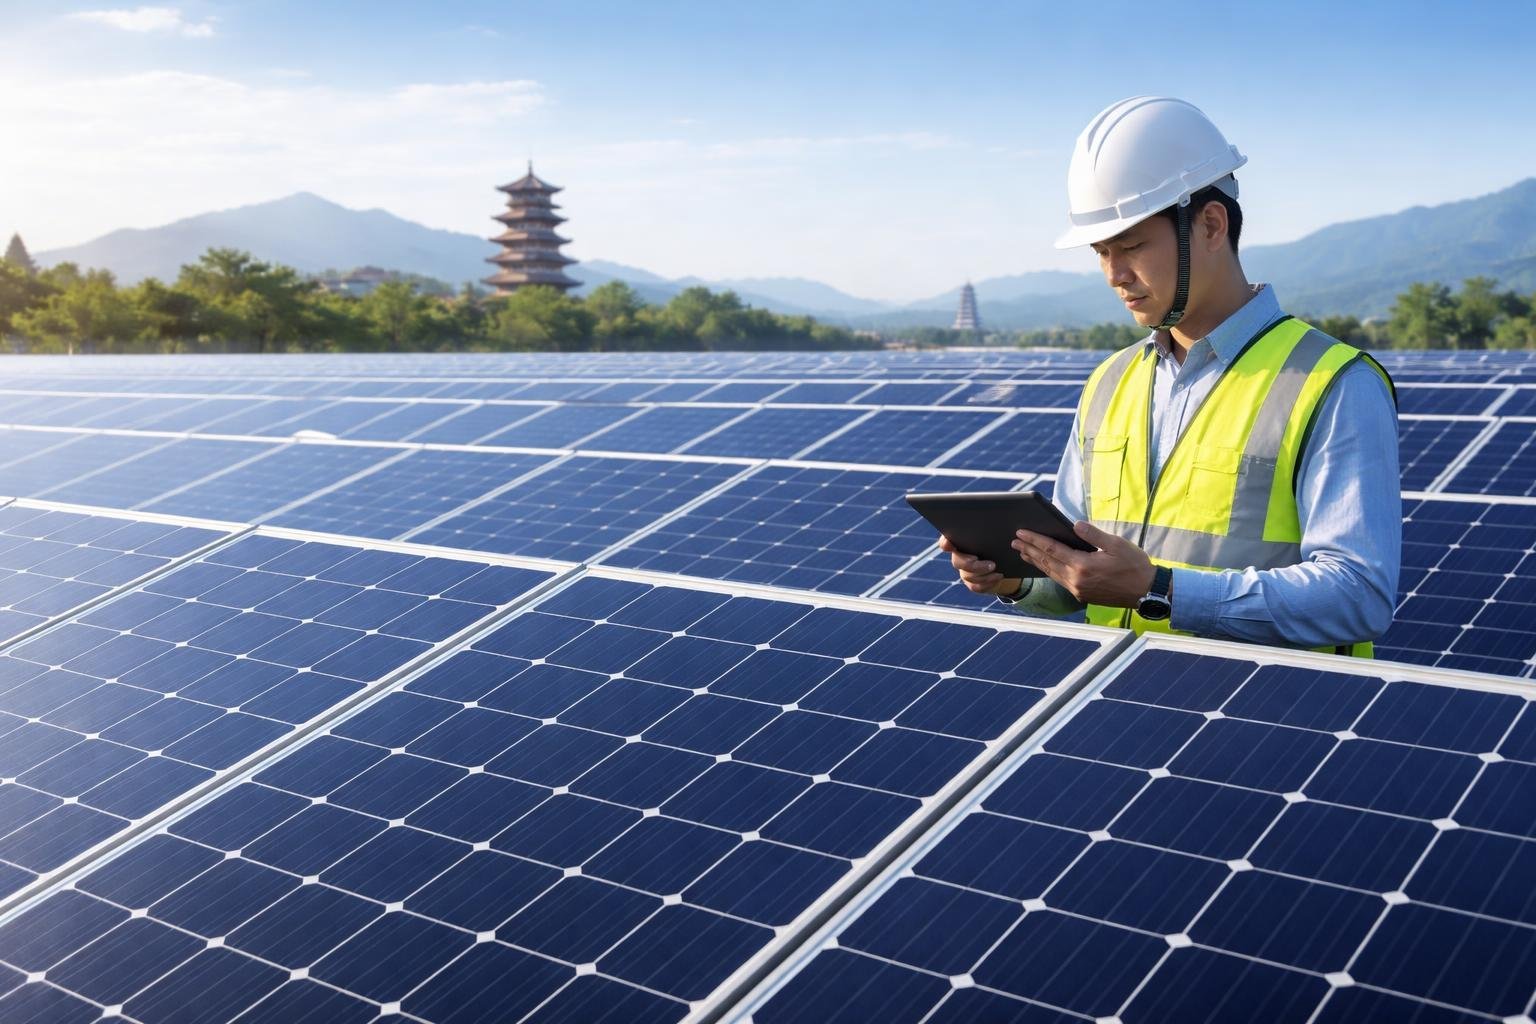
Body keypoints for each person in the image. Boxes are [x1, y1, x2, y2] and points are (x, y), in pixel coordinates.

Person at [945, 96, 1400, 655]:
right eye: (1101, 251)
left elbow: (1359, 596)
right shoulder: (1109, 382)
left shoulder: (1332, 383)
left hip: (1270, 722)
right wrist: (1017, 578)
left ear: (1211, 225)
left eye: (1132, 245)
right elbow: (1079, 580)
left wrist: (1159, 590)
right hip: (1121, 709)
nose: (1115, 274)